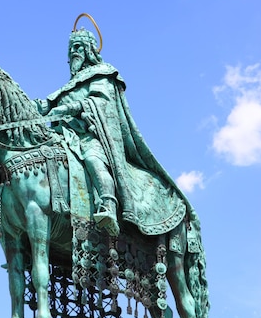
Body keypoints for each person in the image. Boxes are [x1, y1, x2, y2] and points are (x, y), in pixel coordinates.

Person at [36, 27, 195, 240]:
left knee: (93, 158)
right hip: (64, 137)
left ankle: (108, 204)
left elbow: (100, 102)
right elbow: (45, 105)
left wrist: (73, 108)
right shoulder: (67, 87)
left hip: (90, 137)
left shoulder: (102, 73)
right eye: (70, 48)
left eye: (77, 47)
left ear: (89, 50)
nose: (72, 52)